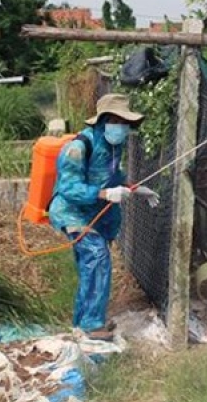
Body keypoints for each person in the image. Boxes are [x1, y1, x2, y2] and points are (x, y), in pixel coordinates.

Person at [49, 94, 160, 341]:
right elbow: (68, 188)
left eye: (125, 121)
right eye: (117, 120)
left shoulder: (113, 146)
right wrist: (105, 193)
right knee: (97, 257)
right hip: (71, 211)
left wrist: (134, 189)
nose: (122, 126)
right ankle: (91, 325)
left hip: (93, 214)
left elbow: (111, 177)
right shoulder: (77, 148)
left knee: (90, 265)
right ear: (103, 120)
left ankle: (83, 321)